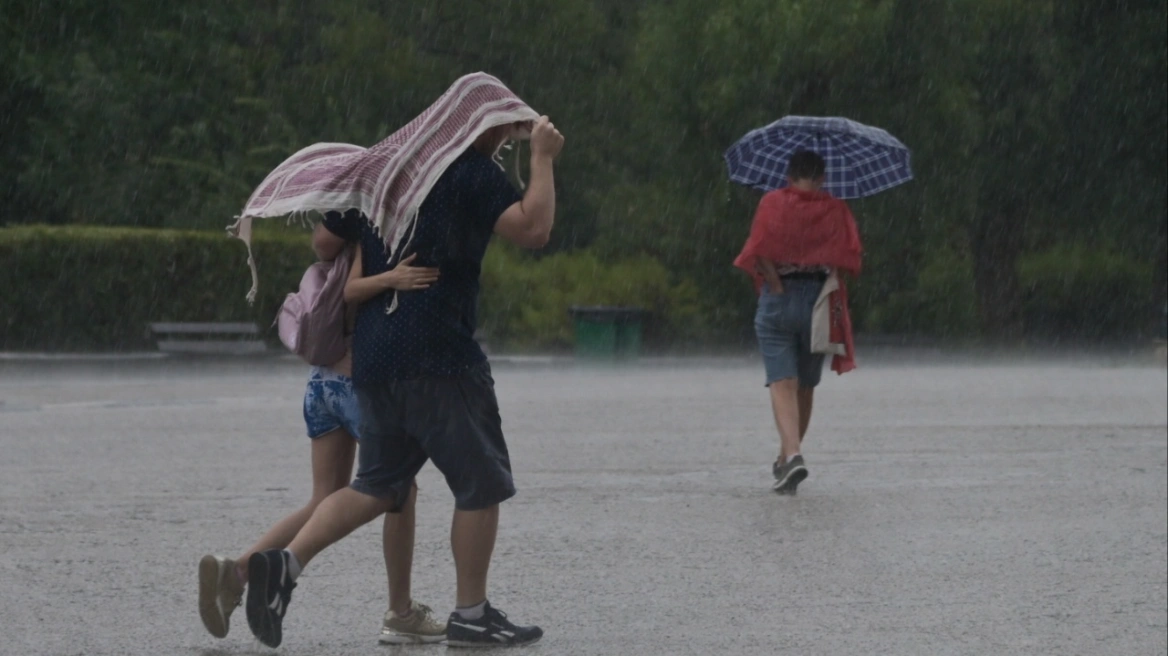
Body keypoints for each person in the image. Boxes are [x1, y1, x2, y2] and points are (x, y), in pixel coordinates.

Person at [241, 89, 564, 648]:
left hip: (374, 357)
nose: (502, 142)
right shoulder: (470, 171)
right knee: (480, 482)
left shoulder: (383, 170)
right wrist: (541, 158)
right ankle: (472, 615)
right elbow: (534, 229)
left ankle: (284, 566)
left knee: (377, 485)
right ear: (478, 125)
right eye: (502, 130)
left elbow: (325, 240)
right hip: (440, 355)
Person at [197, 243, 446, 645]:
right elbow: (354, 292)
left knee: (324, 498)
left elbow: (332, 267)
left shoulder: (340, 236)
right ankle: (400, 612)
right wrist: (393, 278)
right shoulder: (374, 232)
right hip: (356, 385)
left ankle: (238, 572)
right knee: (400, 487)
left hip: (321, 383)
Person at [733, 150, 862, 495]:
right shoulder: (836, 209)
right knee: (805, 385)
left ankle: (791, 455)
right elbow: (848, 258)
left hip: (779, 298)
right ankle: (788, 458)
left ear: (788, 175)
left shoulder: (772, 203)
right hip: (819, 302)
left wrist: (776, 283)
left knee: (781, 382)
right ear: (822, 177)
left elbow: (758, 249)